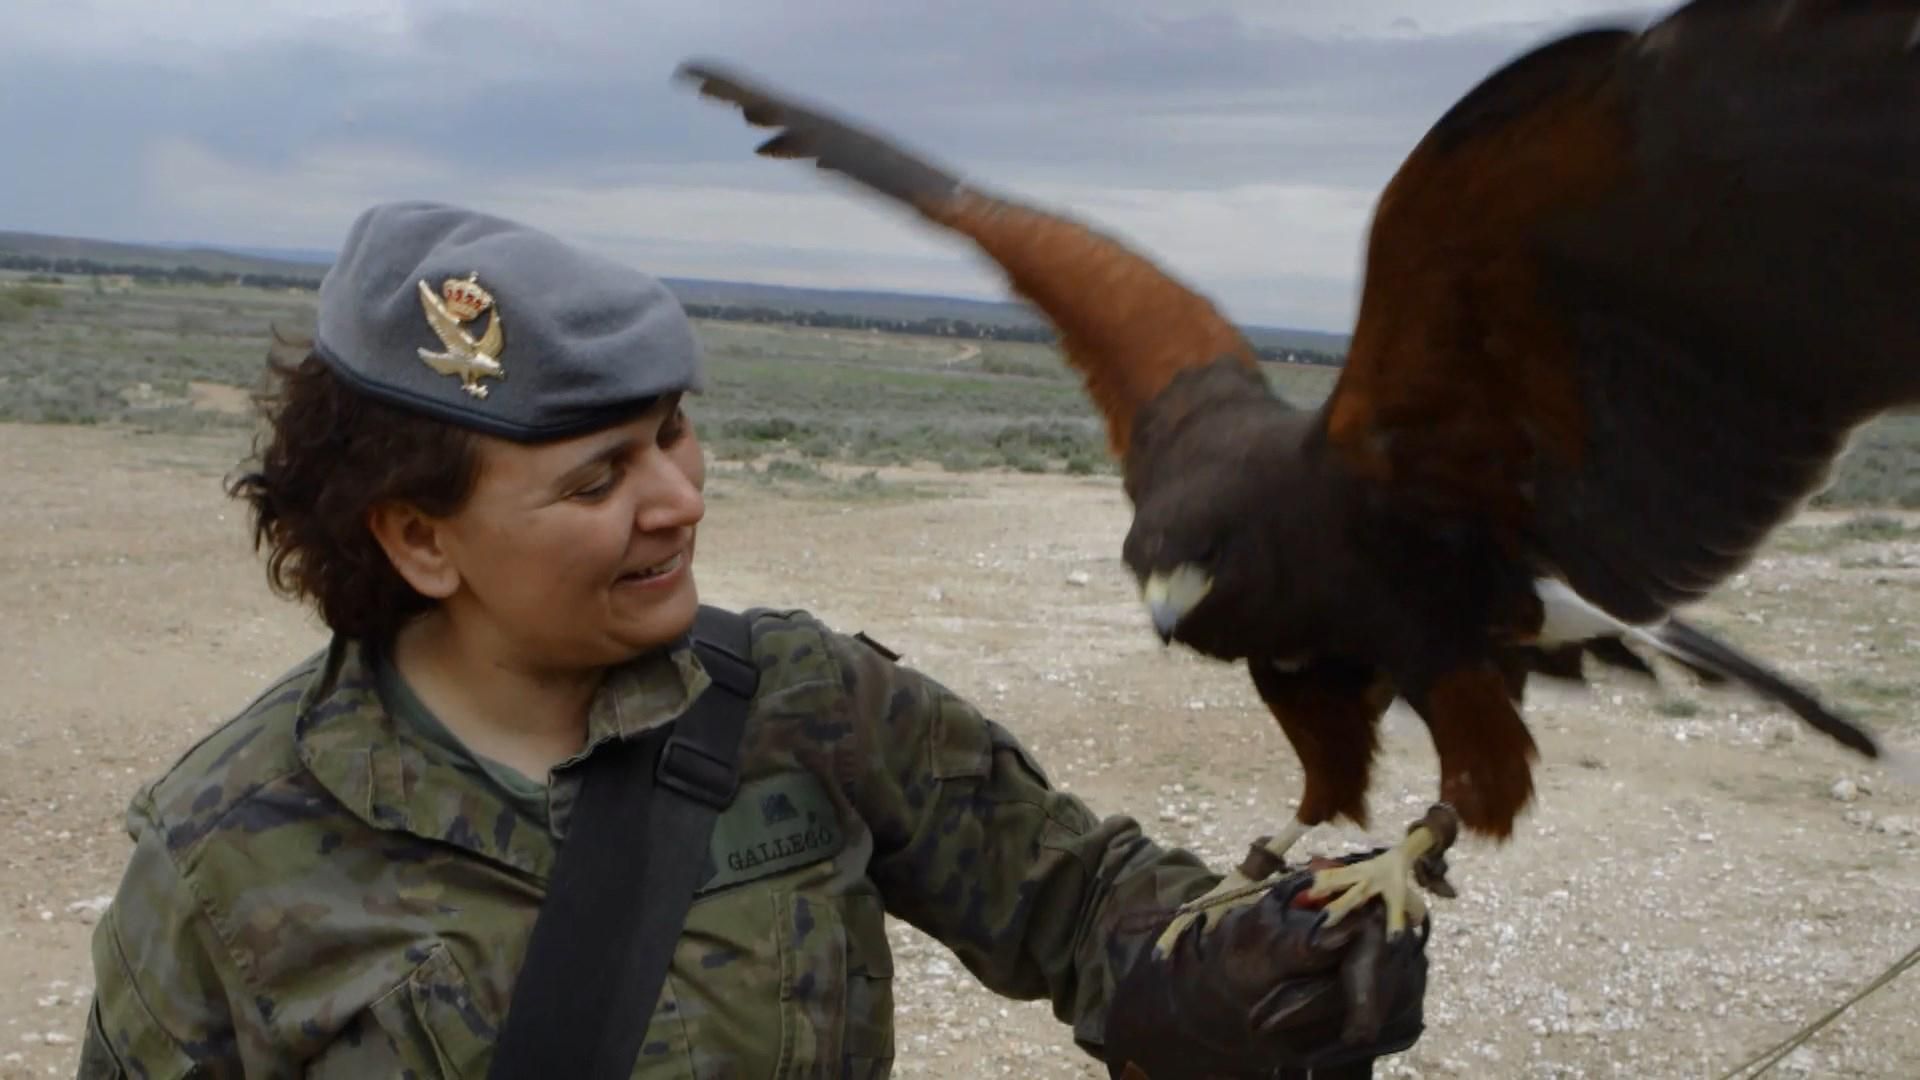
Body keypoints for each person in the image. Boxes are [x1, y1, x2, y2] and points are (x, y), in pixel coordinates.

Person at [74, 201, 1431, 1079]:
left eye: (671, 430)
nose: (678, 497)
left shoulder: (807, 704)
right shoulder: (223, 856)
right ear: (420, 539)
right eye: (598, 479)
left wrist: (1258, 970)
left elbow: (1084, 911)